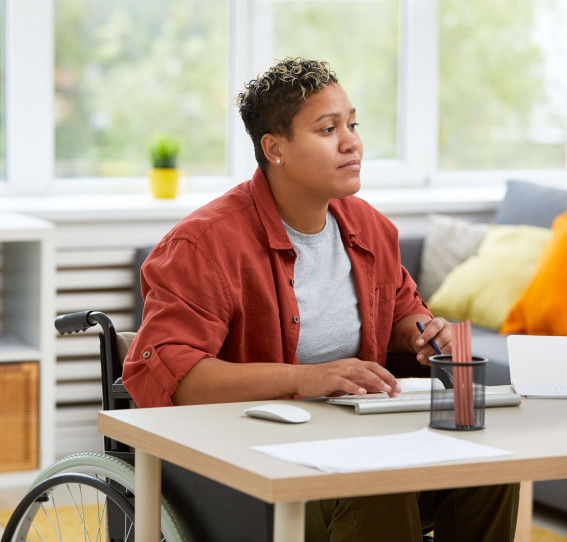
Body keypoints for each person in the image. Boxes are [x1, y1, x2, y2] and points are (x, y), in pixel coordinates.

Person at [123, 57, 519, 541]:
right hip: (244, 462)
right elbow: (174, 377)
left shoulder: (370, 227)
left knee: (490, 471)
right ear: (275, 149)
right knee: (380, 482)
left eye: (352, 124)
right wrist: (308, 378)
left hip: (351, 443)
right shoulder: (203, 246)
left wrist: (421, 332)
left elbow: (401, 309)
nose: (351, 141)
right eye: (328, 129)